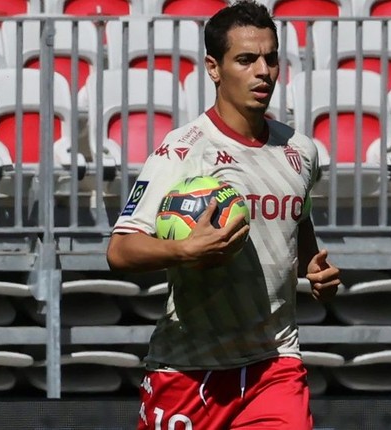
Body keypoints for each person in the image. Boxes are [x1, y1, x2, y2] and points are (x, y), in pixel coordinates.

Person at [106, 1, 341, 428]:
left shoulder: (301, 151)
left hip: (275, 364)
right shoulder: (183, 150)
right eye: (246, 60)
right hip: (189, 368)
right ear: (214, 68)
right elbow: (120, 251)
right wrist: (184, 249)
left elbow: (298, 218)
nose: (263, 71)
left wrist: (312, 265)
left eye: (271, 58)